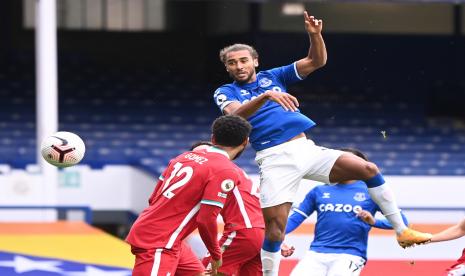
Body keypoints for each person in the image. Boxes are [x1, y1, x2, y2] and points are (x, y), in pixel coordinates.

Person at [212, 10, 432, 275]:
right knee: (274, 229)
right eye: (232, 63)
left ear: (255, 61)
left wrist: (315, 36)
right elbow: (236, 114)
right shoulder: (226, 91)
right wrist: (265, 97)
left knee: (368, 169)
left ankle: (402, 231)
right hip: (274, 157)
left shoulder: (275, 76)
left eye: (243, 60)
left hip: (306, 148)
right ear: (227, 67)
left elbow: (316, 61)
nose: (239, 66)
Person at [126, 115, 252, 276]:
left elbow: (153, 198)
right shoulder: (226, 170)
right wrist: (216, 254)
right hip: (159, 242)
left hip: (167, 238)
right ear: (245, 142)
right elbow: (206, 219)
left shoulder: (183, 157)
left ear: (213, 138)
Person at [280, 148, 409, 276]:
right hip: (316, 253)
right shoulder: (318, 191)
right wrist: (276, 237)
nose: (340, 165)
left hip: (350, 255)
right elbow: (296, 218)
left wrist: (374, 221)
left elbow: (402, 222)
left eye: (346, 161)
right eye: (337, 161)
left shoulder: (371, 192)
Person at [191, 141, 265, 276]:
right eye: (198, 153)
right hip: (260, 233)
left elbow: (205, 218)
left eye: (206, 152)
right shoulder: (234, 171)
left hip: (243, 232)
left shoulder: (221, 171)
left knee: (204, 272)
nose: (203, 156)